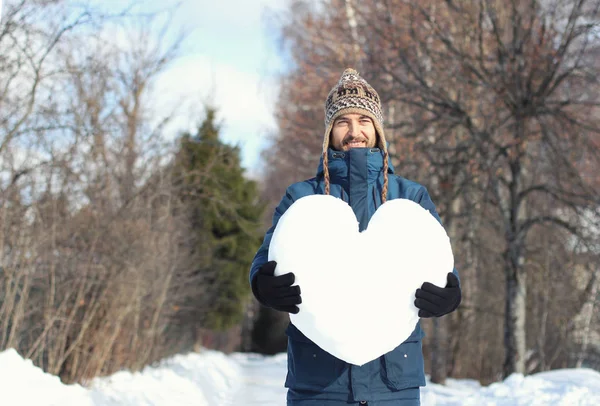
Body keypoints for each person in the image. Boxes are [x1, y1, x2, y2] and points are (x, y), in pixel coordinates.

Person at [249, 68, 461, 406]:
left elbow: (438, 260)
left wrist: (450, 292)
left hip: (393, 384)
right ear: (330, 131)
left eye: (363, 120)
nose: (354, 131)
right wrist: (262, 281)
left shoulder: (410, 196)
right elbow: (266, 256)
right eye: (343, 122)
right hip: (318, 383)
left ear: (377, 128)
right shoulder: (302, 197)